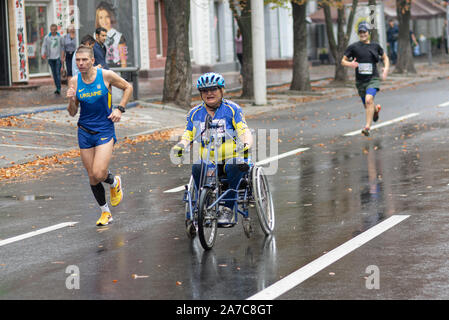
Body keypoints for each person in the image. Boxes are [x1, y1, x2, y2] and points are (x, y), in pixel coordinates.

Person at [173, 72, 253, 230]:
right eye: (204, 90)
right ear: (201, 94)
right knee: (197, 166)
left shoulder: (232, 109)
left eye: (213, 89)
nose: (209, 93)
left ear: (222, 90)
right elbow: (188, 133)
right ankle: (204, 204)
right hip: (209, 161)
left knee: (234, 164)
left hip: (231, 159)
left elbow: (244, 130)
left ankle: (227, 209)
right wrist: (181, 145)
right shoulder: (195, 113)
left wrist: (246, 144)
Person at [66, 44, 133, 226]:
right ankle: (106, 213)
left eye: (84, 60)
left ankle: (114, 181)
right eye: (78, 60)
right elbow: (72, 112)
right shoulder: (74, 81)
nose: (80, 63)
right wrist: (72, 100)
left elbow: (128, 87)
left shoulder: (105, 76)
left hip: (105, 128)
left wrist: (120, 108)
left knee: (99, 171)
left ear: (92, 61)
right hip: (84, 131)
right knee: (92, 176)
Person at [342, 21, 390, 137]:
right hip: (360, 82)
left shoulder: (375, 46)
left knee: (369, 100)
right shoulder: (353, 47)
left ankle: (367, 127)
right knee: (368, 105)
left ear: (368, 33)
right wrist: (350, 64)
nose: (362, 34)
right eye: (360, 32)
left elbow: (385, 58)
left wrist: (386, 69)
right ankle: (376, 110)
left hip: (373, 79)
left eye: (364, 32)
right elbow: (342, 61)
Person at [95, 1, 128, 68]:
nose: (104, 20)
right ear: (97, 20)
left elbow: (123, 61)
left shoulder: (118, 37)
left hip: (115, 70)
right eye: (101, 17)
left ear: (111, 17)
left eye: (107, 17)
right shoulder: (95, 36)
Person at [41, 24, 63, 95]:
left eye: (54, 30)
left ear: (56, 30)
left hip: (58, 58)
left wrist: (63, 56)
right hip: (50, 58)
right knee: (54, 74)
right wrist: (43, 53)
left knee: (57, 73)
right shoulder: (47, 37)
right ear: (50, 30)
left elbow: (63, 47)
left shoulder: (60, 37)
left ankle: (59, 88)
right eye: (51, 30)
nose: (53, 31)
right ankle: (57, 87)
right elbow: (44, 46)